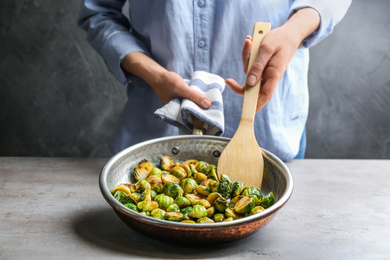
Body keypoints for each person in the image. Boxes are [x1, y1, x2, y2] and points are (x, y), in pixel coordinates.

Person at [78, 1, 351, 162]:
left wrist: (295, 30)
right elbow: (99, 12)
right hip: (156, 139)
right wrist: (156, 75)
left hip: (269, 134)